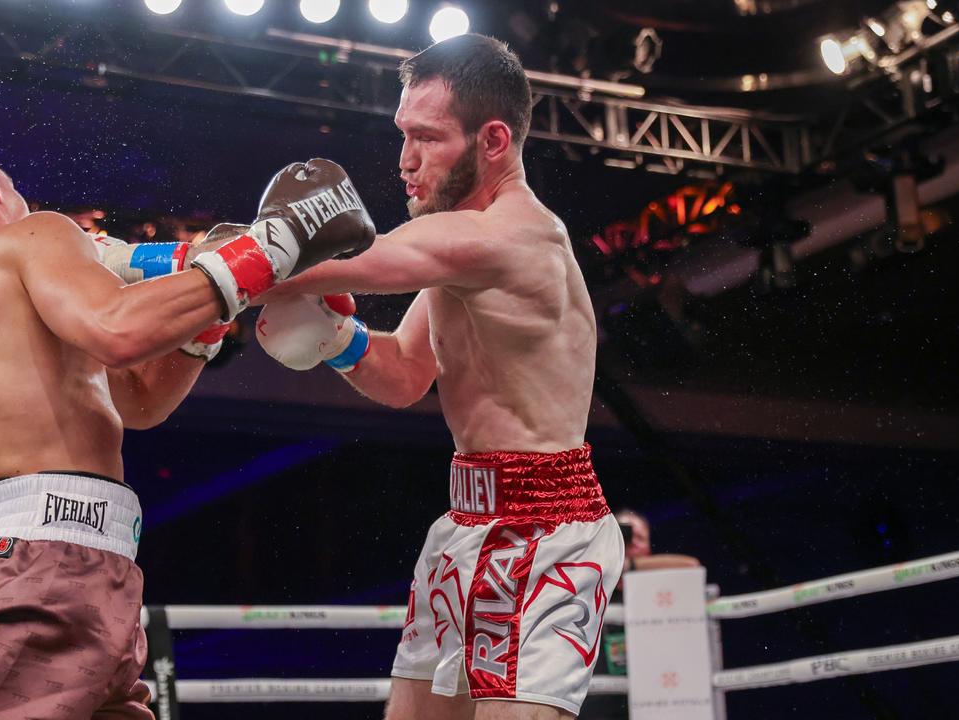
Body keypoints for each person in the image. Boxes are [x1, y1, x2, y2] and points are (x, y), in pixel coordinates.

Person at [0, 146, 373, 718]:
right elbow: (118, 328)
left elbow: (140, 402)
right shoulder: (34, 235)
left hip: (72, 566)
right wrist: (276, 243)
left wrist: (213, 314)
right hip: (48, 567)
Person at [254, 34, 623, 719]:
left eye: (427, 138)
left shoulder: (505, 237)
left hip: (546, 532)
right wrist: (336, 340)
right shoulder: (462, 245)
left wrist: (140, 266)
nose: (406, 161)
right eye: (403, 134)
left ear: (492, 141)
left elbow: (353, 261)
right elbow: (404, 375)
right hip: (465, 521)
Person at [583, 508, 700, 719]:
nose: (632, 542)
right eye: (625, 534)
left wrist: (630, 566)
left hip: (650, 700)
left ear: (648, 546)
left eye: (640, 537)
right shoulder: (587, 577)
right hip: (597, 703)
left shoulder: (657, 585)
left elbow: (692, 567)